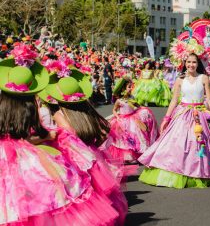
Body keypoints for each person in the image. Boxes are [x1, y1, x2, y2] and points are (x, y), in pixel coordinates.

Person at [0, 45, 120, 225]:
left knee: (11, 204)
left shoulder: (3, 107)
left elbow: (16, 137)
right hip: (27, 159)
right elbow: (25, 137)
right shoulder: (30, 108)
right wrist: (47, 137)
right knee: (41, 202)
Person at [138, 52, 210, 188]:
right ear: (184, 63)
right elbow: (174, 100)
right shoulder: (180, 80)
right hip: (183, 114)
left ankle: (200, 172)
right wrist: (166, 118)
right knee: (178, 144)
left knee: (201, 144)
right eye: (189, 62)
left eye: (194, 62)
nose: (191, 65)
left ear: (198, 64)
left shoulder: (203, 78)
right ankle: (180, 170)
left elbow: (209, 98)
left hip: (200, 114)